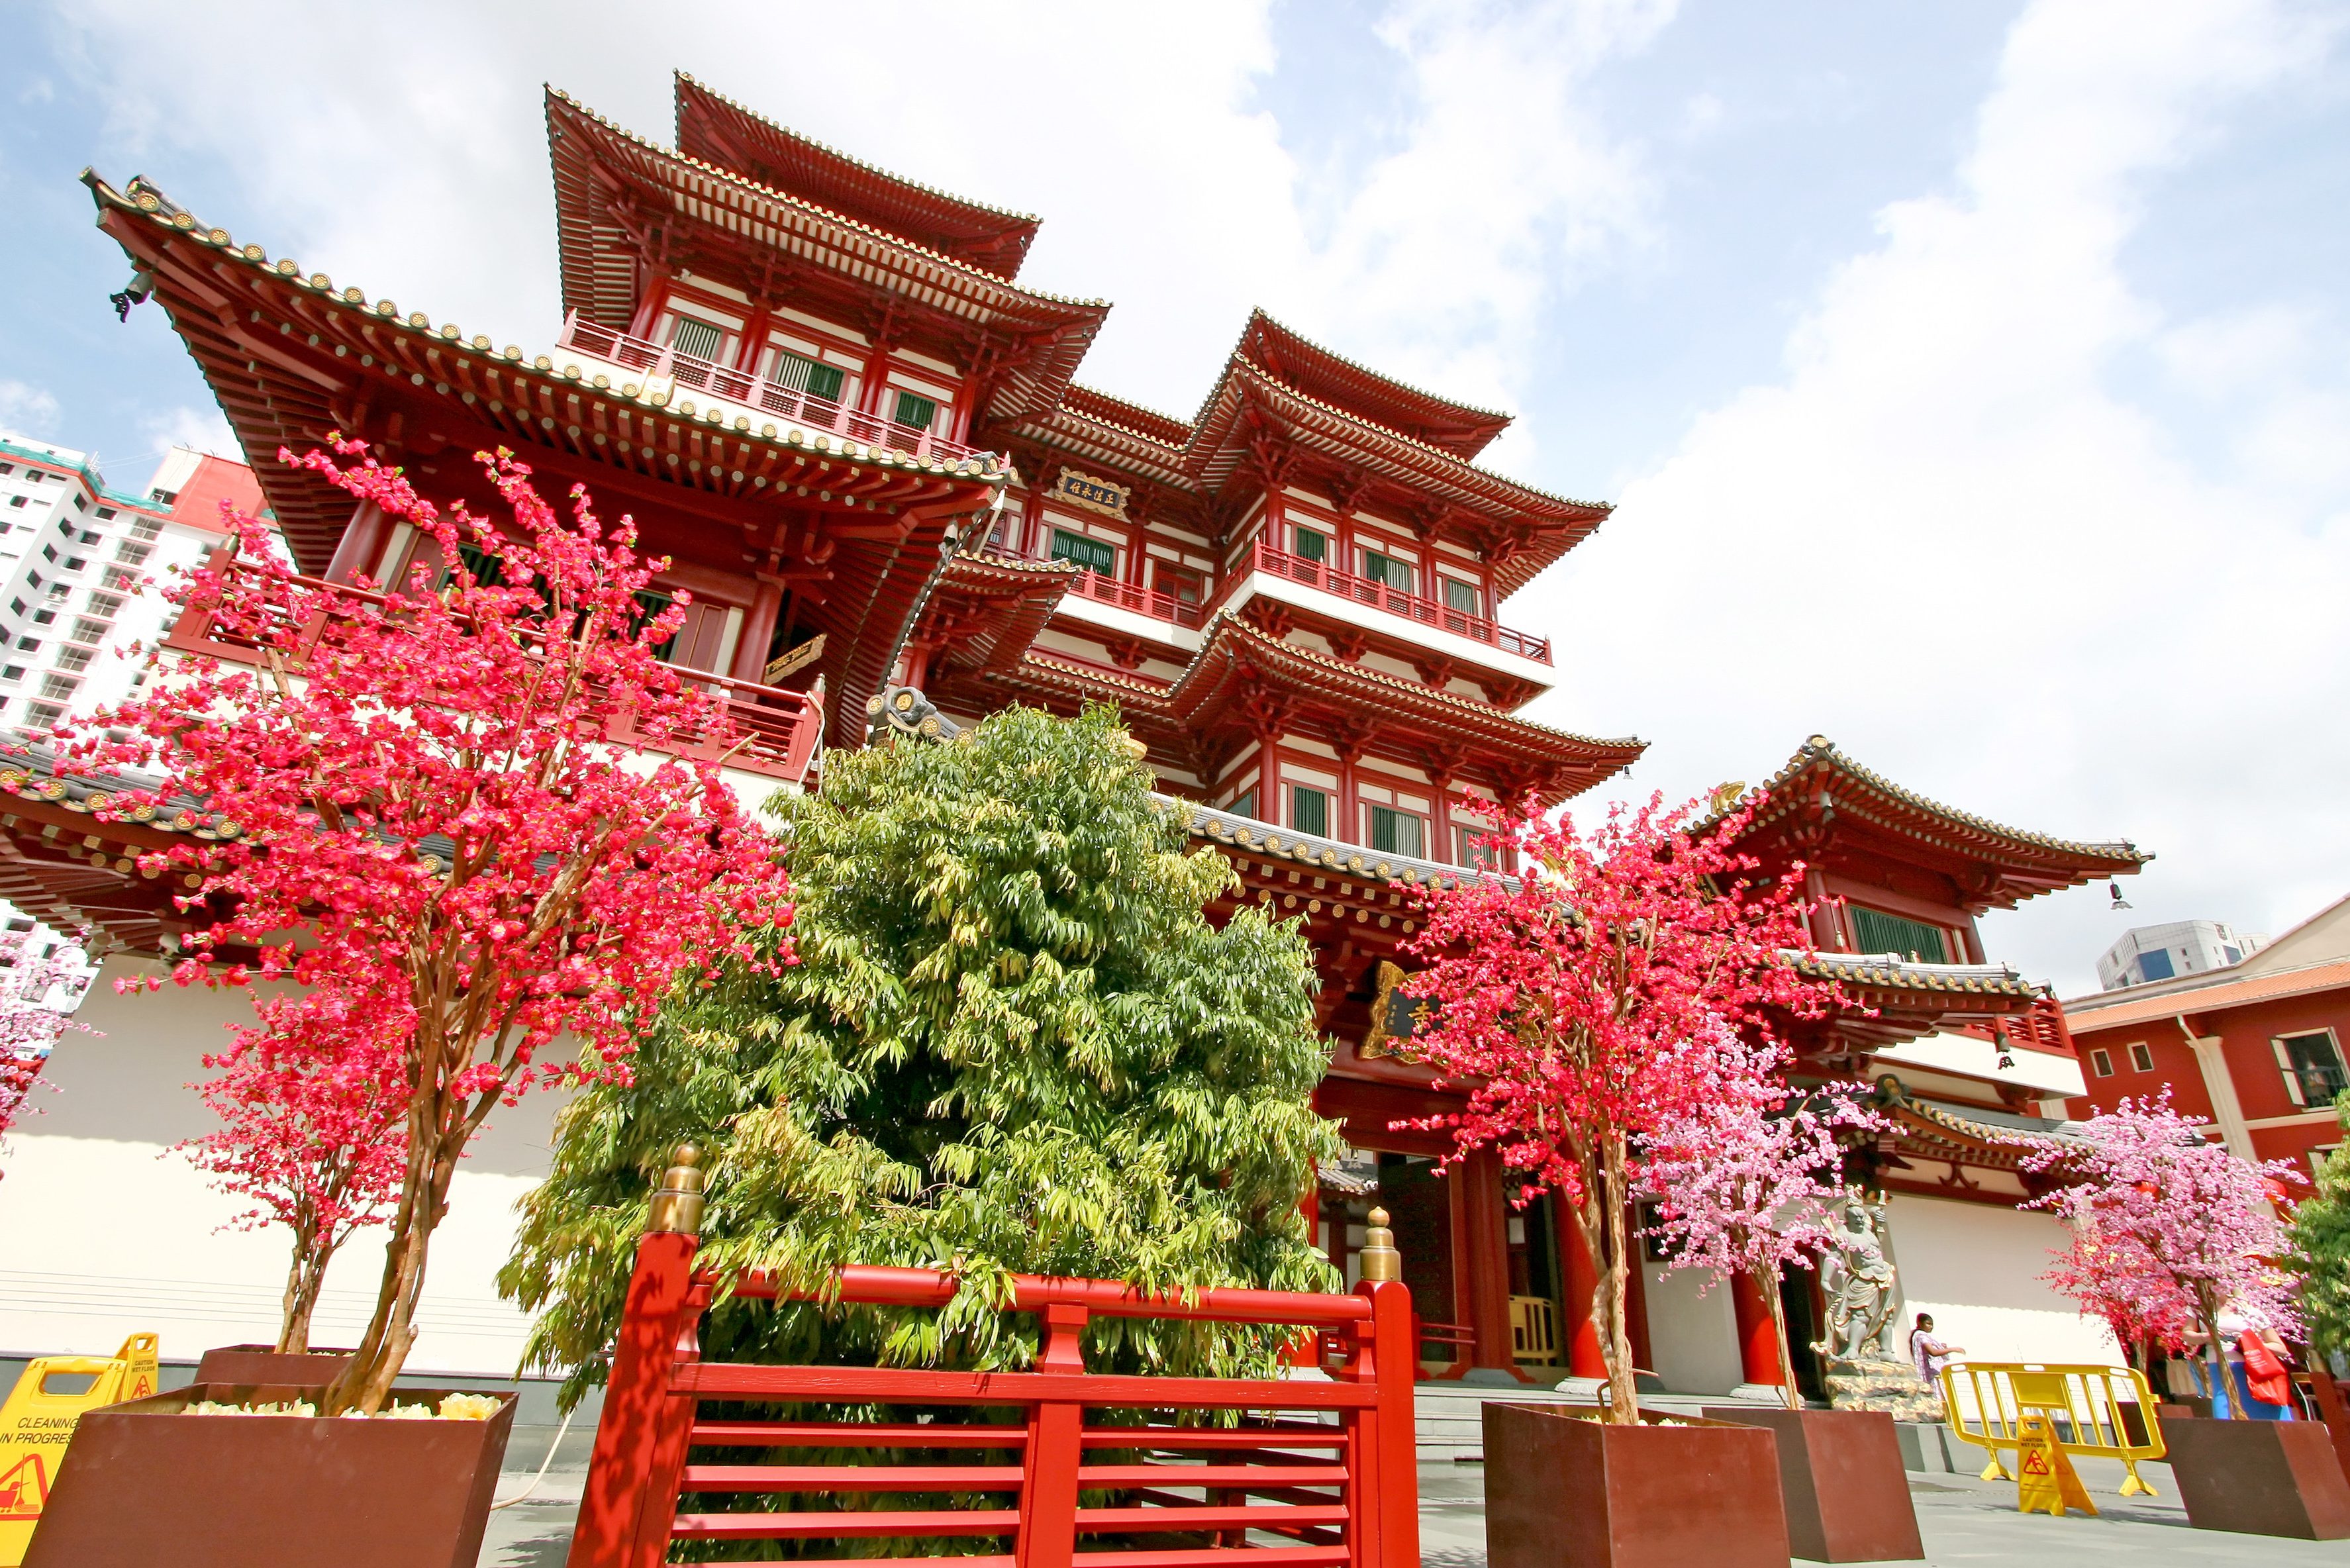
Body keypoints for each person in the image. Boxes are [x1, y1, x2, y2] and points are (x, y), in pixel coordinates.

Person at [2188, 1305, 2297, 1420]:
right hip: (2221, 1372)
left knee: (2269, 1423)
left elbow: (2281, 1349)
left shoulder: (2250, 1311)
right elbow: (2187, 1335)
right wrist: (2205, 1337)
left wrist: (2250, 1344)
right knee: (2226, 1420)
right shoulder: (2198, 1307)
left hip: (2254, 1373)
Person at [1910, 1312, 1963, 1384]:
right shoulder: (1921, 1336)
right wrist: (1953, 1349)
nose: (1931, 1327)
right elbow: (1933, 1352)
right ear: (1919, 1323)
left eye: (1932, 1324)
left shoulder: (1920, 1336)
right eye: (1928, 1324)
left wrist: (1941, 1347)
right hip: (1931, 1375)